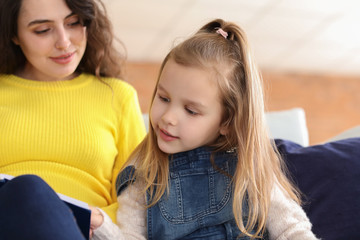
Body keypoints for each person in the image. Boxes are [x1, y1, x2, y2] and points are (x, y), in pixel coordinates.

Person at [91, 19, 319, 239]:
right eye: (163, 98)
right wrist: (103, 228)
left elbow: (292, 232)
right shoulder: (142, 176)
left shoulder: (251, 170)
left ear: (227, 122)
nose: (168, 117)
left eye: (191, 111)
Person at [0, 0, 146, 239]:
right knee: (30, 189)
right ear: (14, 35)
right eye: (43, 30)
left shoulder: (118, 96)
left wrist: (97, 219)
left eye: (74, 23)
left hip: (87, 232)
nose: (64, 42)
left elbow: (137, 198)